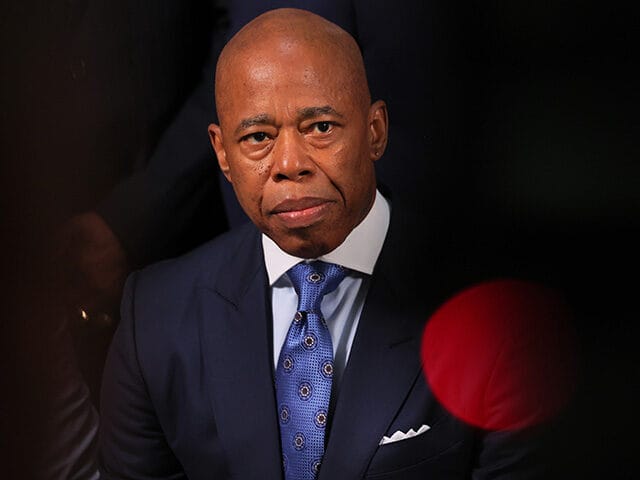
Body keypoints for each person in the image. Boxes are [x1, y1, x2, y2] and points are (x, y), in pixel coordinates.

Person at [98, 8, 549, 479]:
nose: (289, 164)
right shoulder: (153, 319)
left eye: (320, 128)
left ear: (375, 131)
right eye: (257, 137)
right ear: (223, 154)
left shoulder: (501, 316)